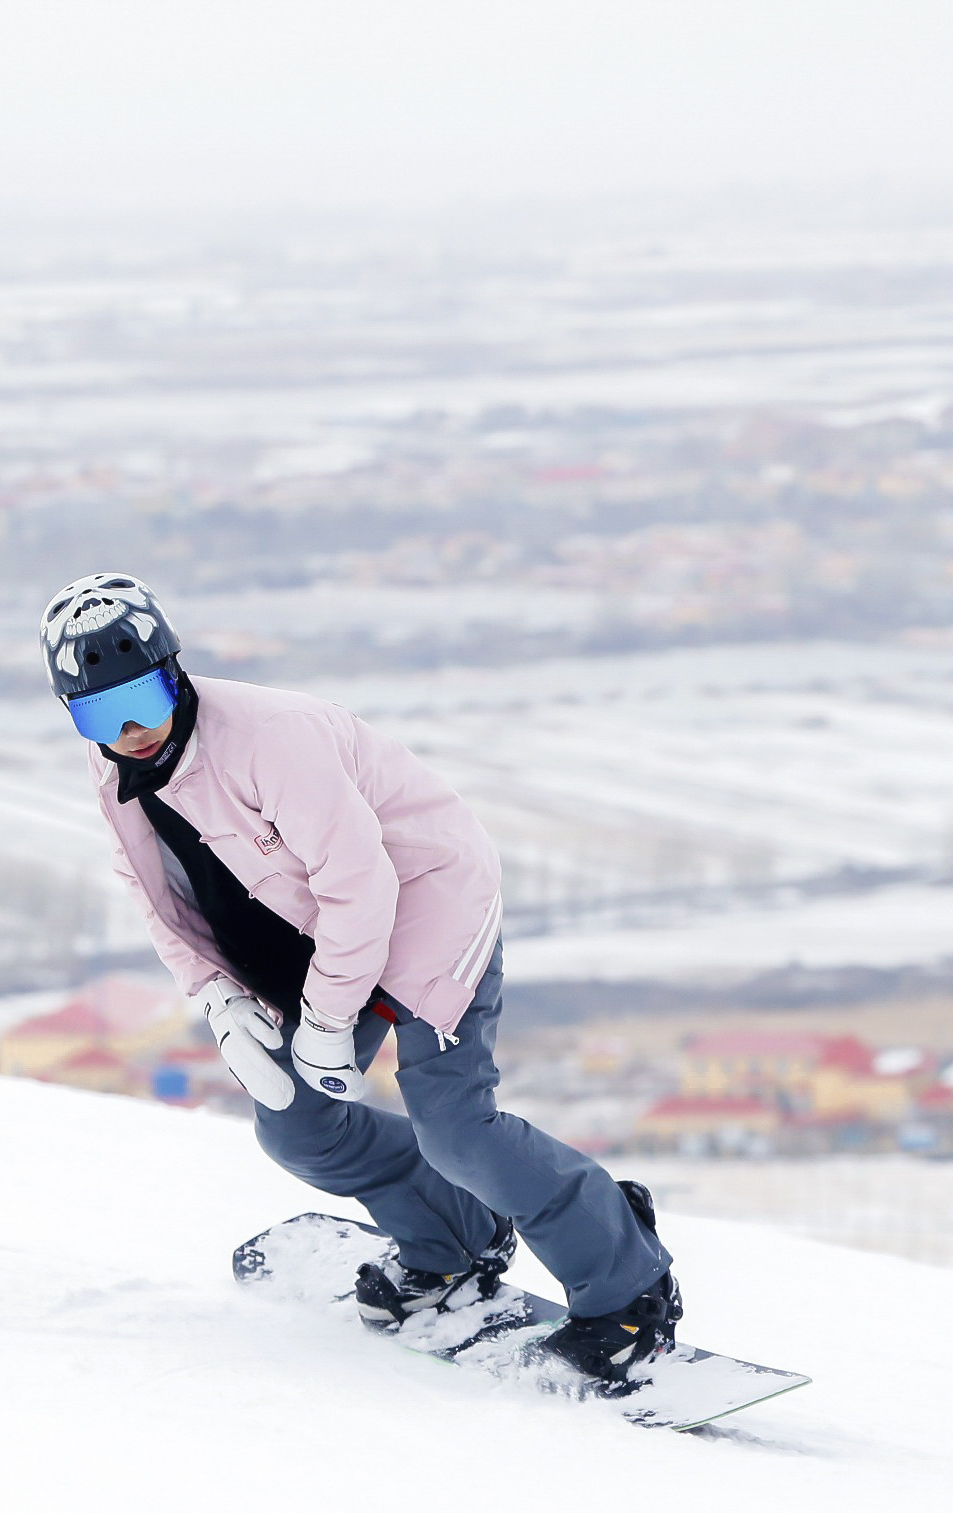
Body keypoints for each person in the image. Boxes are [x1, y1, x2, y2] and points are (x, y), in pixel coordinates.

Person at [39, 572, 681, 1385]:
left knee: (455, 1126)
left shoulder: (271, 740)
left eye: (145, 696)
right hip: (314, 943)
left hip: (428, 908)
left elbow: (362, 887)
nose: (131, 728)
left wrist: (330, 1018)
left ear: (176, 672)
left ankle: (628, 1287)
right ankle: (452, 1241)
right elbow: (159, 900)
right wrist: (221, 999)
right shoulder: (119, 778)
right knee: (300, 1124)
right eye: (101, 713)